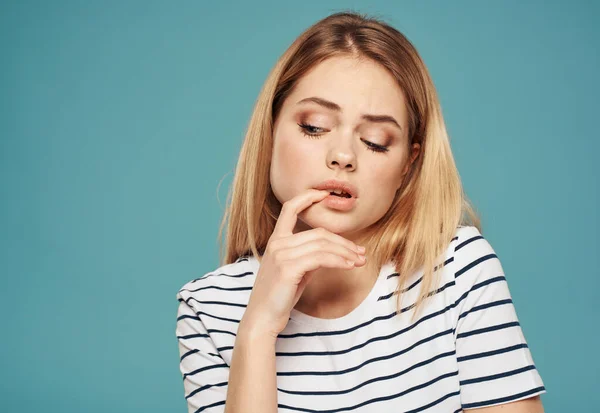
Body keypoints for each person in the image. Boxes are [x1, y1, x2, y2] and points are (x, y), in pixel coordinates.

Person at [175, 11, 546, 413]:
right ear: (270, 131)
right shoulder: (208, 307)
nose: (343, 156)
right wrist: (259, 328)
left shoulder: (458, 270)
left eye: (375, 141)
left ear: (408, 163)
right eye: (315, 127)